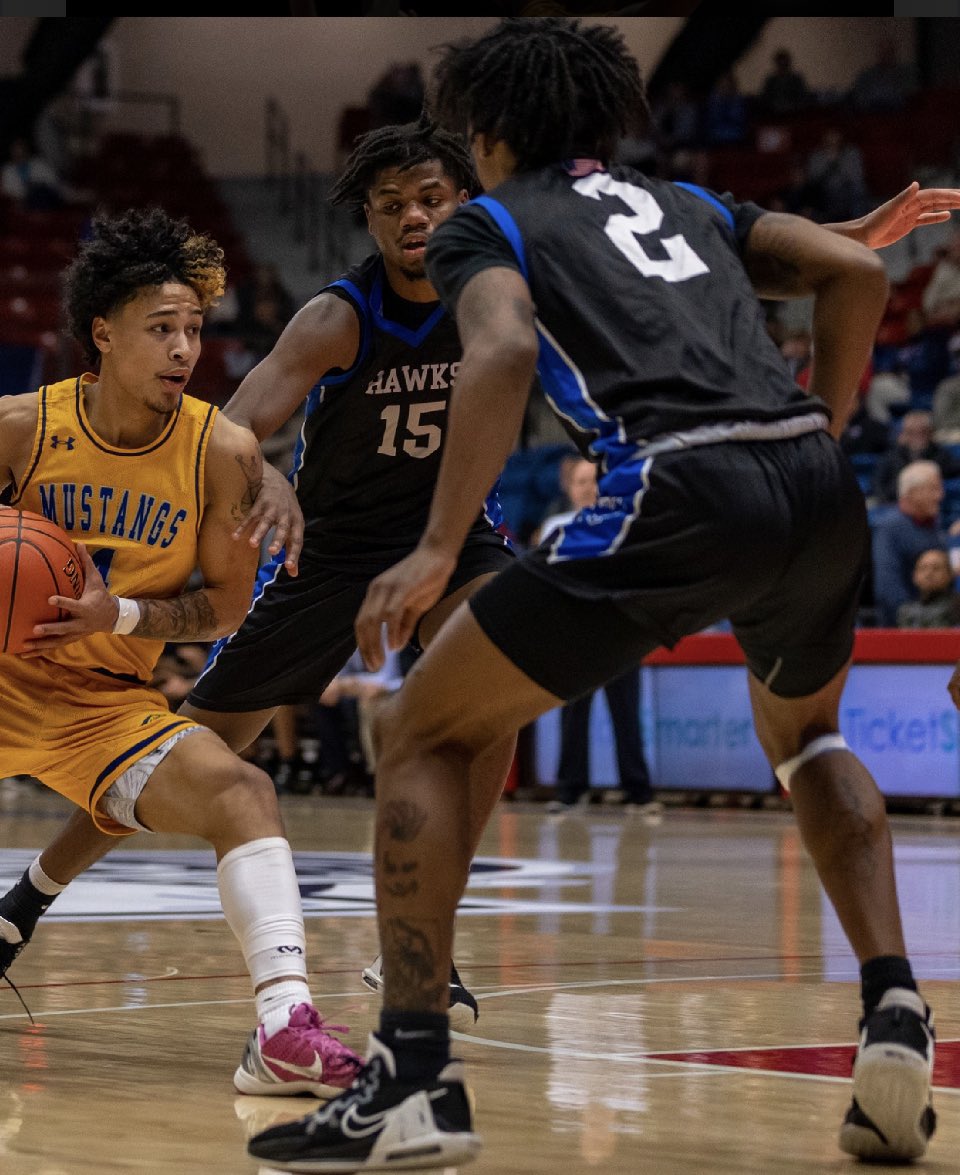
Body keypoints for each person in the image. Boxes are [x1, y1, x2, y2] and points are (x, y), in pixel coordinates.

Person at [247, 20, 958, 1172]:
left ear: (486, 132)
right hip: (814, 485)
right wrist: (824, 425)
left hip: (677, 481)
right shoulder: (681, 199)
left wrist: (436, 547)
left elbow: (503, 354)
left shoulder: (493, 218)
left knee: (416, 721)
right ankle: (892, 1005)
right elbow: (859, 269)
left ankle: (412, 1078)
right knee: (810, 738)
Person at [0, 120, 518, 1032]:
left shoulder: (498, 296)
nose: (414, 217)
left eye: (432, 198)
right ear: (369, 217)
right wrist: (270, 480)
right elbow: (234, 430)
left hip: (448, 532)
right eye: (393, 204)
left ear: (466, 204)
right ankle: (30, 897)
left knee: (499, 680)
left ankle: (425, 940)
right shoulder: (340, 315)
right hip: (331, 547)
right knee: (196, 745)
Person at [0, 206, 363, 1098]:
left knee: (245, 790)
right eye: (161, 328)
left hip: (101, 707)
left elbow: (227, 606)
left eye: (194, 328)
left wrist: (113, 614)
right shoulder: (21, 427)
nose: (183, 348)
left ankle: (284, 1024)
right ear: (103, 332)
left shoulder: (222, 449)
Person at [537, 458, 659, 815]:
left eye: (593, 480)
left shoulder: (623, 524)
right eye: (580, 481)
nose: (587, 488)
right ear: (569, 487)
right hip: (575, 635)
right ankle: (569, 792)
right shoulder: (556, 527)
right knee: (573, 716)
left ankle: (638, 793)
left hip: (620, 632)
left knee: (627, 715)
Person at [871, 460, 952, 626]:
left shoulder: (933, 525)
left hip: (939, 624)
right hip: (905, 632)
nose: (940, 495)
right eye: (933, 489)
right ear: (911, 493)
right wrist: (913, 623)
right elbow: (888, 587)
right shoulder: (890, 528)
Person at [872, 409, 960, 503]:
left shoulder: (942, 456)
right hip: (896, 506)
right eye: (911, 432)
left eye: (922, 432)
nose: (917, 437)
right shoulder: (890, 457)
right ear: (903, 435)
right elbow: (878, 486)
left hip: (933, 506)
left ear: (930, 433)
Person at [896, 547, 960, 628]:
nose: (929, 574)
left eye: (936, 568)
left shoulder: (957, 608)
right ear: (915, 576)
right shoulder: (905, 611)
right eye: (923, 568)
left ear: (950, 574)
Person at [758, 47, 812, 117]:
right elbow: (765, 99)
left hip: (794, 114)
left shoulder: (796, 79)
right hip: (774, 114)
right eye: (780, 62)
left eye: (784, 62)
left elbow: (803, 98)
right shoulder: (771, 81)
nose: (782, 64)